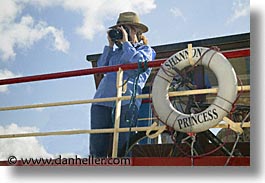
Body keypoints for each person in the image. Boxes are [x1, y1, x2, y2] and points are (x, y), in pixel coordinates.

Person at [90, 12, 156, 157]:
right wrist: (110, 44)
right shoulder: (115, 52)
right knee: (98, 145)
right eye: (120, 29)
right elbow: (101, 68)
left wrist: (127, 42)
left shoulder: (146, 51)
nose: (122, 33)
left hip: (126, 101)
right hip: (103, 100)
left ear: (136, 31)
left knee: (123, 144)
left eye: (125, 29)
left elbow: (136, 65)